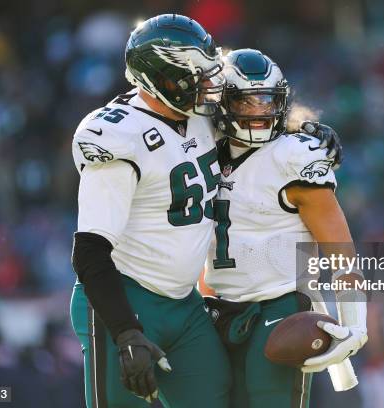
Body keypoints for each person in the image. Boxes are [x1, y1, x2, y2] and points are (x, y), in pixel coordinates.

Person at [69, 14, 231, 408]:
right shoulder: (118, 136)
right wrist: (125, 332)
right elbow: (89, 251)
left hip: (185, 303)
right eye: (196, 76)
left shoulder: (200, 116)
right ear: (163, 78)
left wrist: (303, 132)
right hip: (125, 301)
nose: (209, 86)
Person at [203, 48, 368, 407]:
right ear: (222, 103)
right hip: (215, 307)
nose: (259, 111)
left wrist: (355, 323)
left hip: (280, 305)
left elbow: (341, 250)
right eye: (247, 102)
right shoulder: (200, 148)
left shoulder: (295, 156)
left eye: (267, 100)